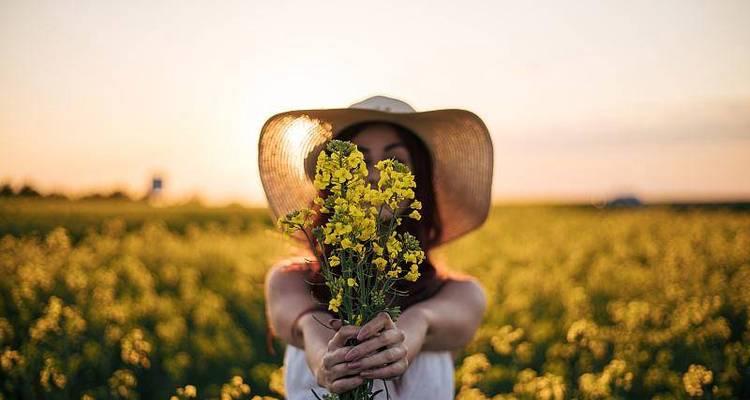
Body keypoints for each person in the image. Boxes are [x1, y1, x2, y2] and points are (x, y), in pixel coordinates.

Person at [258, 95, 494, 399]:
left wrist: (411, 329)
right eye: (358, 160)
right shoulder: (289, 281)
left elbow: (444, 319)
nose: (375, 173)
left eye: (396, 162)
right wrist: (323, 359)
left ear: (417, 180)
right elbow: (303, 324)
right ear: (332, 182)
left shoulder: (459, 294)